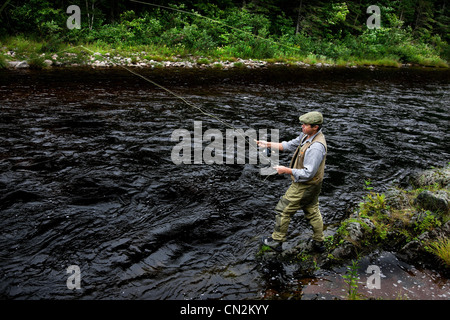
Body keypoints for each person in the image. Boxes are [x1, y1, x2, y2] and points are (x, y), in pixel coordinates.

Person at [257, 111, 327, 253]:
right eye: (303, 124)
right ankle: (319, 242)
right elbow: (289, 145)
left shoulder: (316, 147)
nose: (302, 126)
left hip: (305, 185)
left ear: (316, 127)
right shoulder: (306, 135)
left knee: (283, 210)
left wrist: (286, 170)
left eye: (306, 125)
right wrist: (268, 144)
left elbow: (308, 173)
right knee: (312, 210)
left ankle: (276, 241)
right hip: (314, 184)